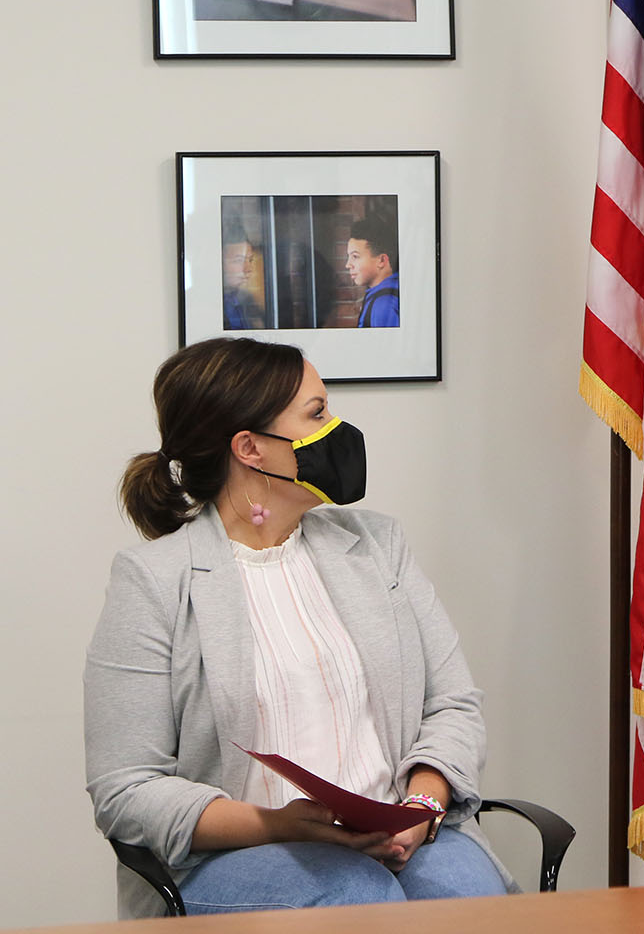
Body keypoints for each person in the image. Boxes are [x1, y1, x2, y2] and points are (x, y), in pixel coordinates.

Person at [85, 339, 510, 917]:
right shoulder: (155, 581)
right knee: (357, 896)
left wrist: (422, 804)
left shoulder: (378, 546)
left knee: (463, 898)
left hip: (402, 829)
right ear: (251, 448)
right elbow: (126, 789)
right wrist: (278, 824)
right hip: (240, 854)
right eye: (316, 414)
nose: (336, 428)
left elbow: (454, 703)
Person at [347, 212, 400, 327]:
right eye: (349, 257)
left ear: (381, 260)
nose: (348, 265)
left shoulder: (384, 304)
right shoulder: (383, 295)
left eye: (355, 256)